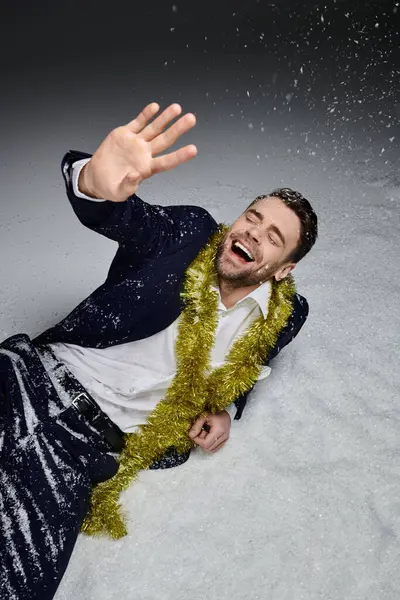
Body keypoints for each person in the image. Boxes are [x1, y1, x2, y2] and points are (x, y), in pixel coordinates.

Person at [0, 102, 318, 599]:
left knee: (18, 580)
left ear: (284, 269)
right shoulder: (188, 235)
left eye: (273, 237)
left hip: (86, 446)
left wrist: (227, 407)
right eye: (252, 217)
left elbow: (253, 364)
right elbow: (127, 218)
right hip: (32, 377)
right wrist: (95, 184)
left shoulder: (284, 316)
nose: (252, 232)